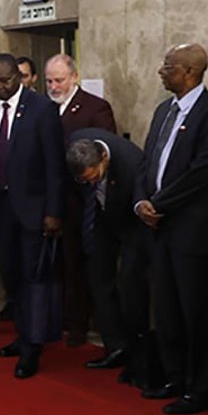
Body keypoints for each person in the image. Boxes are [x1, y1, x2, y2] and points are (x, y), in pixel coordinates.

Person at [134, 43, 208, 415]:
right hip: (157, 229)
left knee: (197, 313)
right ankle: (174, 376)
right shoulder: (164, 111)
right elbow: (147, 163)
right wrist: (141, 201)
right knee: (168, 310)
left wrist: (159, 204)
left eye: (168, 66)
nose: (161, 71)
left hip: (195, 233)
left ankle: (201, 388)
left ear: (190, 72)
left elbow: (204, 171)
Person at [0, 54, 65, 378]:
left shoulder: (42, 109)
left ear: (18, 77)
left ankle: (33, 346)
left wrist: (54, 211)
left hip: (34, 210)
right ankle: (24, 333)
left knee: (33, 278)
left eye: (5, 80)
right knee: (11, 276)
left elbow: (56, 166)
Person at [67, 133, 153, 387]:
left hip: (132, 224)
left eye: (94, 175)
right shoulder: (77, 146)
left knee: (131, 283)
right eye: (85, 179)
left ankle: (138, 357)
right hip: (102, 217)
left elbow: (139, 204)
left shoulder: (131, 163)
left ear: (104, 158)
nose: (90, 181)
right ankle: (115, 346)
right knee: (98, 277)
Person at [44, 53, 118, 347]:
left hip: (83, 203)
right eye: (49, 80)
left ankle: (81, 324)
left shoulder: (95, 108)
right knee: (58, 266)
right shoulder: (42, 109)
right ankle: (59, 317)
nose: (54, 86)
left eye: (59, 80)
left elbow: (102, 153)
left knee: (82, 266)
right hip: (52, 202)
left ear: (74, 77)